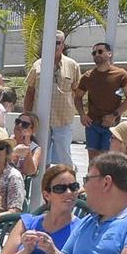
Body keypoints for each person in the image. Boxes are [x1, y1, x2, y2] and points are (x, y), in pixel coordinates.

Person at [24, 32, 81, 171]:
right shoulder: (38, 65)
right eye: (51, 42)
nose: (54, 46)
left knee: (64, 158)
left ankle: (69, 184)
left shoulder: (72, 65)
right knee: (41, 157)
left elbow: (77, 92)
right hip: (41, 120)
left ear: (63, 45)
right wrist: (26, 116)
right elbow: (30, 91)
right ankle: (42, 188)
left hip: (63, 120)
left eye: (58, 43)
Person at [75, 42, 127, 154]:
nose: (97, 54)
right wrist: (82, 115)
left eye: (100, 51)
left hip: (112, 125)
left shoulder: (121, 74)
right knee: (93, 160)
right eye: (94, 53)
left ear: (109, 53)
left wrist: (114, 115)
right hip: (92, 124)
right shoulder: (87, 76)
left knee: (107, 159)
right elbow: (77, 97)